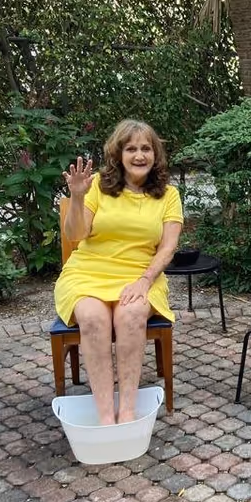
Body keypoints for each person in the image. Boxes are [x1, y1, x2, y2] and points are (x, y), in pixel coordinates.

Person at [54, 120, 183, 424]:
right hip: (87, 274)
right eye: (131, 149)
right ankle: (104, 416)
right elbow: (75, 234)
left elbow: (167, 248)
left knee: (130, 315)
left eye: (146, 148)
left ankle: (127, 410)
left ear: (156, 154)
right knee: (94, 318)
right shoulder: (97, 186)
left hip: (141, 274)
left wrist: (145, 281)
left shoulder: (168, 195)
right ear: (119, 153)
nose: (139, 156)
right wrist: (77, 197)